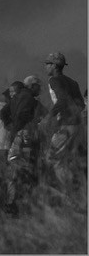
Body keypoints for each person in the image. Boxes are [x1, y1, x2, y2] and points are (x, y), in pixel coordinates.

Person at [42, 52, 86, 188]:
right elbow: (81, 104)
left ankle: (70, 192)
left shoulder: (54, 80)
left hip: (66, 126)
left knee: (53, 159)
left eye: (47, 64)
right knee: (69, 160)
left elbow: (62, 99)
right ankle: (79, 189)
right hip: (78, 127)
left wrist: (48, 117)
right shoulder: (73, 82)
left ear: (55, 66)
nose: (45, 67)